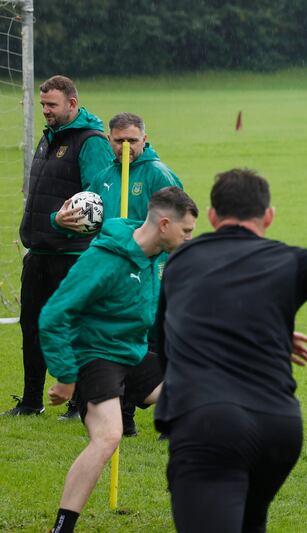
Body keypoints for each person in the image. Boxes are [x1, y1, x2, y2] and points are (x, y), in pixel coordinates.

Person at [154, 168, 307, 532]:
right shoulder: (289, 260)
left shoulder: (182, 261)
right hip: (279, 427)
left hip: (209, 423)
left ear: (211, 217)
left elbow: (163, 335)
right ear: (268, 216)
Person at [40, 187, 198, 533]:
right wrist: (66, 376)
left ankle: (189, 495)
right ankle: (61, 528)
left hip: (133, 352)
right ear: (165, 225)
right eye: (187, 231)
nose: (190, 238)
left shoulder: (157, 256)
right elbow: (53, 314)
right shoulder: (105, 260)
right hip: (95, 355)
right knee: (108, 437)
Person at [4, 75, 114, 418]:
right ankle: (31, 400)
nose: (46, 112)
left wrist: (63, 221)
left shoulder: (91, 141)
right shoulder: (49, 137)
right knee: (32, 326)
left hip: (73, 255)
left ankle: (78, 404)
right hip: (38, 253)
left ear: (72, 104)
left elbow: (98, 200)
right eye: (43, 106)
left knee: (74, 328)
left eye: (52, 105)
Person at [95, 111, 184, 437]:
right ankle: (124, 418)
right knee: (123, 343)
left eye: (133, 140)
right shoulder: (104, 176)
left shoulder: (159, 175)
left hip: (154, 276)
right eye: (119, 141)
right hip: (116, 279)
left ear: (145, 139)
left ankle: (172, 418)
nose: (126, 147)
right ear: (109, 140)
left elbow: (179, 226)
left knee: (160, 344)